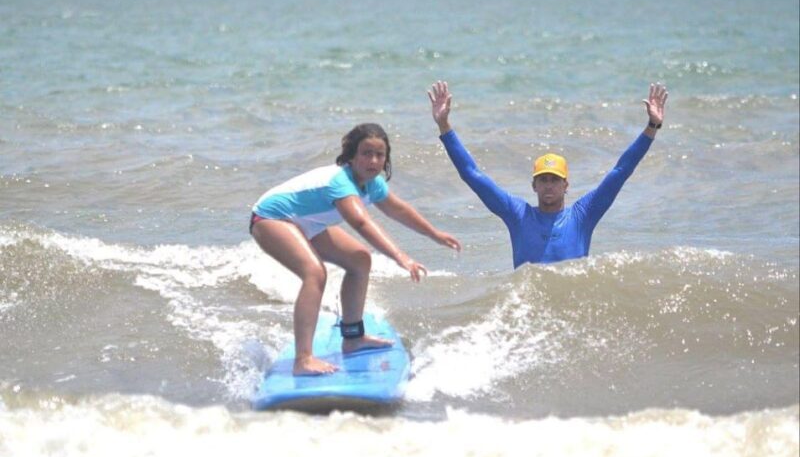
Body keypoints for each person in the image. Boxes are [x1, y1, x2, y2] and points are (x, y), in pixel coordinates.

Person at [250, 123, 462, 375]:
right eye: (366, 153)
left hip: (307, 222)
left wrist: (434, 234)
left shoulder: (373, 184)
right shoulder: (340, 182)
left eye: (380, 155)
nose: (373, 160)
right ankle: (303, 359)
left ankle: (352, 338)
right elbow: (361, 222)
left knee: (359, 260)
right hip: (271, 218)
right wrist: (401, 257)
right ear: (351, 156)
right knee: (314, 273)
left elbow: (398, 209)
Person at [427, 80, 668, 269]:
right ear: (534, 185)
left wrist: (652, 127)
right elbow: (472, 174)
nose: (549, 185)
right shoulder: (518, 215)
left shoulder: (583, 215)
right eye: (543, 180)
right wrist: (444, 126)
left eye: (555, 180)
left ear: (566, 185)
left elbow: (621, 171)